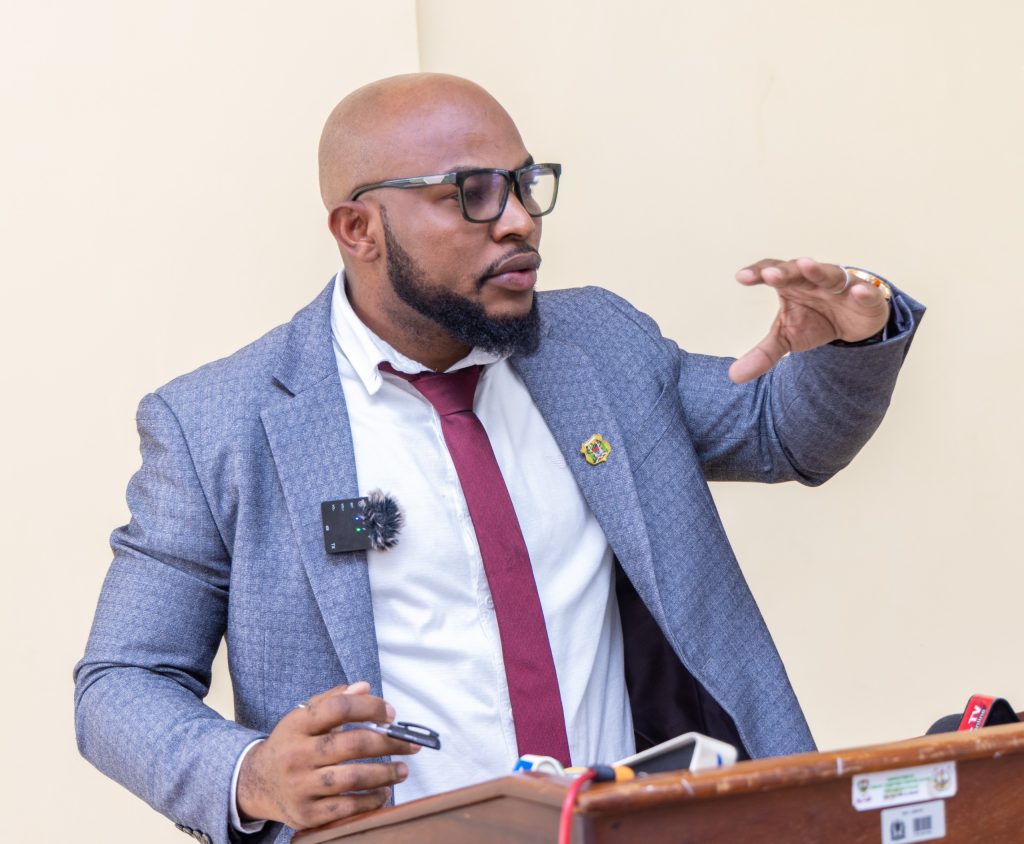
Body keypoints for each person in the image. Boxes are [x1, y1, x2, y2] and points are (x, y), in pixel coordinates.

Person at [75, 73, 924, 843]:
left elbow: (782, 433)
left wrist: (852, 341)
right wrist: (253, 774)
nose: (519, 219)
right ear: (359, 228)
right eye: (472, 193)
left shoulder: (598, 349)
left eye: (524, 183)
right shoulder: (219, 425)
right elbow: (121, 682)